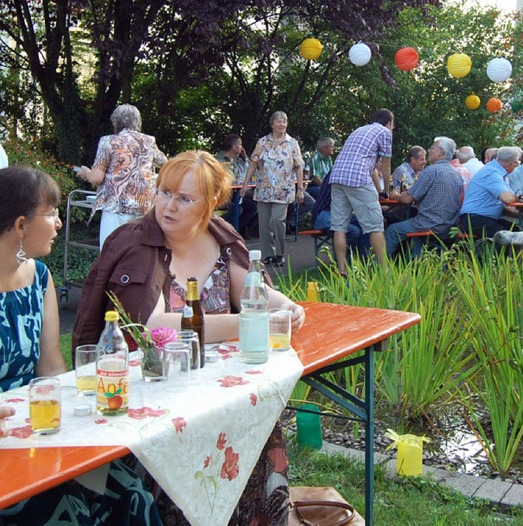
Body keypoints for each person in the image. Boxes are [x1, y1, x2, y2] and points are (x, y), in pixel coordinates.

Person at [73, 150, 305, 525]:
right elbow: (153, 327)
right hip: (151, 400)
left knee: (255, 420)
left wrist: (285, 306)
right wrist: (250, 323)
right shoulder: (134, 243)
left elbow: (251, 288)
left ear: (211, 203)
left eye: (184, 198)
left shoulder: (220, 234)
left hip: (218, 391)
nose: (168, 206)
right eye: (164, 192)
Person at [0, 165, 162, 525]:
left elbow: (52, 369)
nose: (60, 223)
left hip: (39, 430)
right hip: (7, 449)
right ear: (20, 225)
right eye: (52, 212)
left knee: (132, 493)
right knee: (67, 511)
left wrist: (88, 405)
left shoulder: (40, 279)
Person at [76, 104, 167, 249]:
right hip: (142, 207)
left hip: (115, 208)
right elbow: (166, 164)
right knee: (136, 255)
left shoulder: (109, 141)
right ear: (138, 121)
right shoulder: (148, 142)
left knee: (110, 254)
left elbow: (96, 178)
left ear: (116, 122)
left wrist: (86, 173)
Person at [329, 108, 394, 276]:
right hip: (357, 178)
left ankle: (342, 270)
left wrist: (379, 190)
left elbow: (369, 165)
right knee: (375, 225)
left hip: (337, 176)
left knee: (339, 227)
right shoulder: (385, 132)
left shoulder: (359, 130)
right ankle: (385, 270)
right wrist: (386, 191)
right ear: (389, 123)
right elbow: (386, 166)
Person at [241, 111, 304, 267]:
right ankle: (268, 254)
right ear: (272, 124)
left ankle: (279, 253)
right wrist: (245, 184)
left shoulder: (292, 143)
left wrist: (300, 188)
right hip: (264, 188)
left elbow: (298, 167)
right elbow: (253, 163)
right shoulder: (263, 142)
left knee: (277, 220)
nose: (282, 124)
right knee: (263, 223)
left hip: (283, 190)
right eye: (279, 121)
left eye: (284, 121)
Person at [385, 137, 463, 257]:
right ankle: (417, 264)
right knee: (414, 234)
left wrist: (395, 195)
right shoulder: (456, 174)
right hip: (449, 225)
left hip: (428, 224)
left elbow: (408, 199)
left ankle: (379, 266)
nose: (429, 149)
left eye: (432, 147)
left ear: (441, 152)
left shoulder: (430, 171)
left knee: (392, 230)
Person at [459, 146, 521, 238]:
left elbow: (502, 205)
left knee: (522, 232)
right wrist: (520, 197)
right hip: (474, 219)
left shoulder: (498, 172)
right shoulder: (492, 173)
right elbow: (508, 199)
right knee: (512, 237)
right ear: (512, 163)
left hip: (481, 218)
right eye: (517, 163)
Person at [312, 173, 368, 258]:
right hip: (323, 214)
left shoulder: (351, 173)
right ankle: (345, 265)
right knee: (354, 231)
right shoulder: (339, 173)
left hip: (340, 213)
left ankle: (364, 261)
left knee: (367, 224)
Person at [217, 133, 258, 236]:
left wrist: (244, 156)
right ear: (234, 147)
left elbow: (248, 169)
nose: (242, 147)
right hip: (224, 194)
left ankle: (235, 230)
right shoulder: (221, 161)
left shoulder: (235, 160)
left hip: (235, 192)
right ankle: (219, 227)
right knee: (237, 209)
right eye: (240, 144)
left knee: (254, 206)